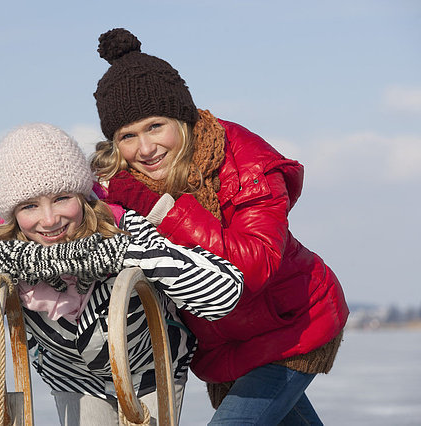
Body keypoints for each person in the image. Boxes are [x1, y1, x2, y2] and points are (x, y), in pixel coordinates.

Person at [91, 28, 349, 425]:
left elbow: (254, 265)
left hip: (293, 326)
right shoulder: (121, 188)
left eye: (155, 126)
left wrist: (163, 209)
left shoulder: (245, 162)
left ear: (183, 118)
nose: (144, 149)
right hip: (226, 346)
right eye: (128, 135)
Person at [0, 123, 244, 425]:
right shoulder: (5, 254)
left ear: (83, 197)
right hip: (72, 379)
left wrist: (121, 254)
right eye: (29, 206)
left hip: (149, 369)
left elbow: (224, 292)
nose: (49, 220)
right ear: (12, 213)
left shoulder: (121, 228)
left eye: (61, 198)